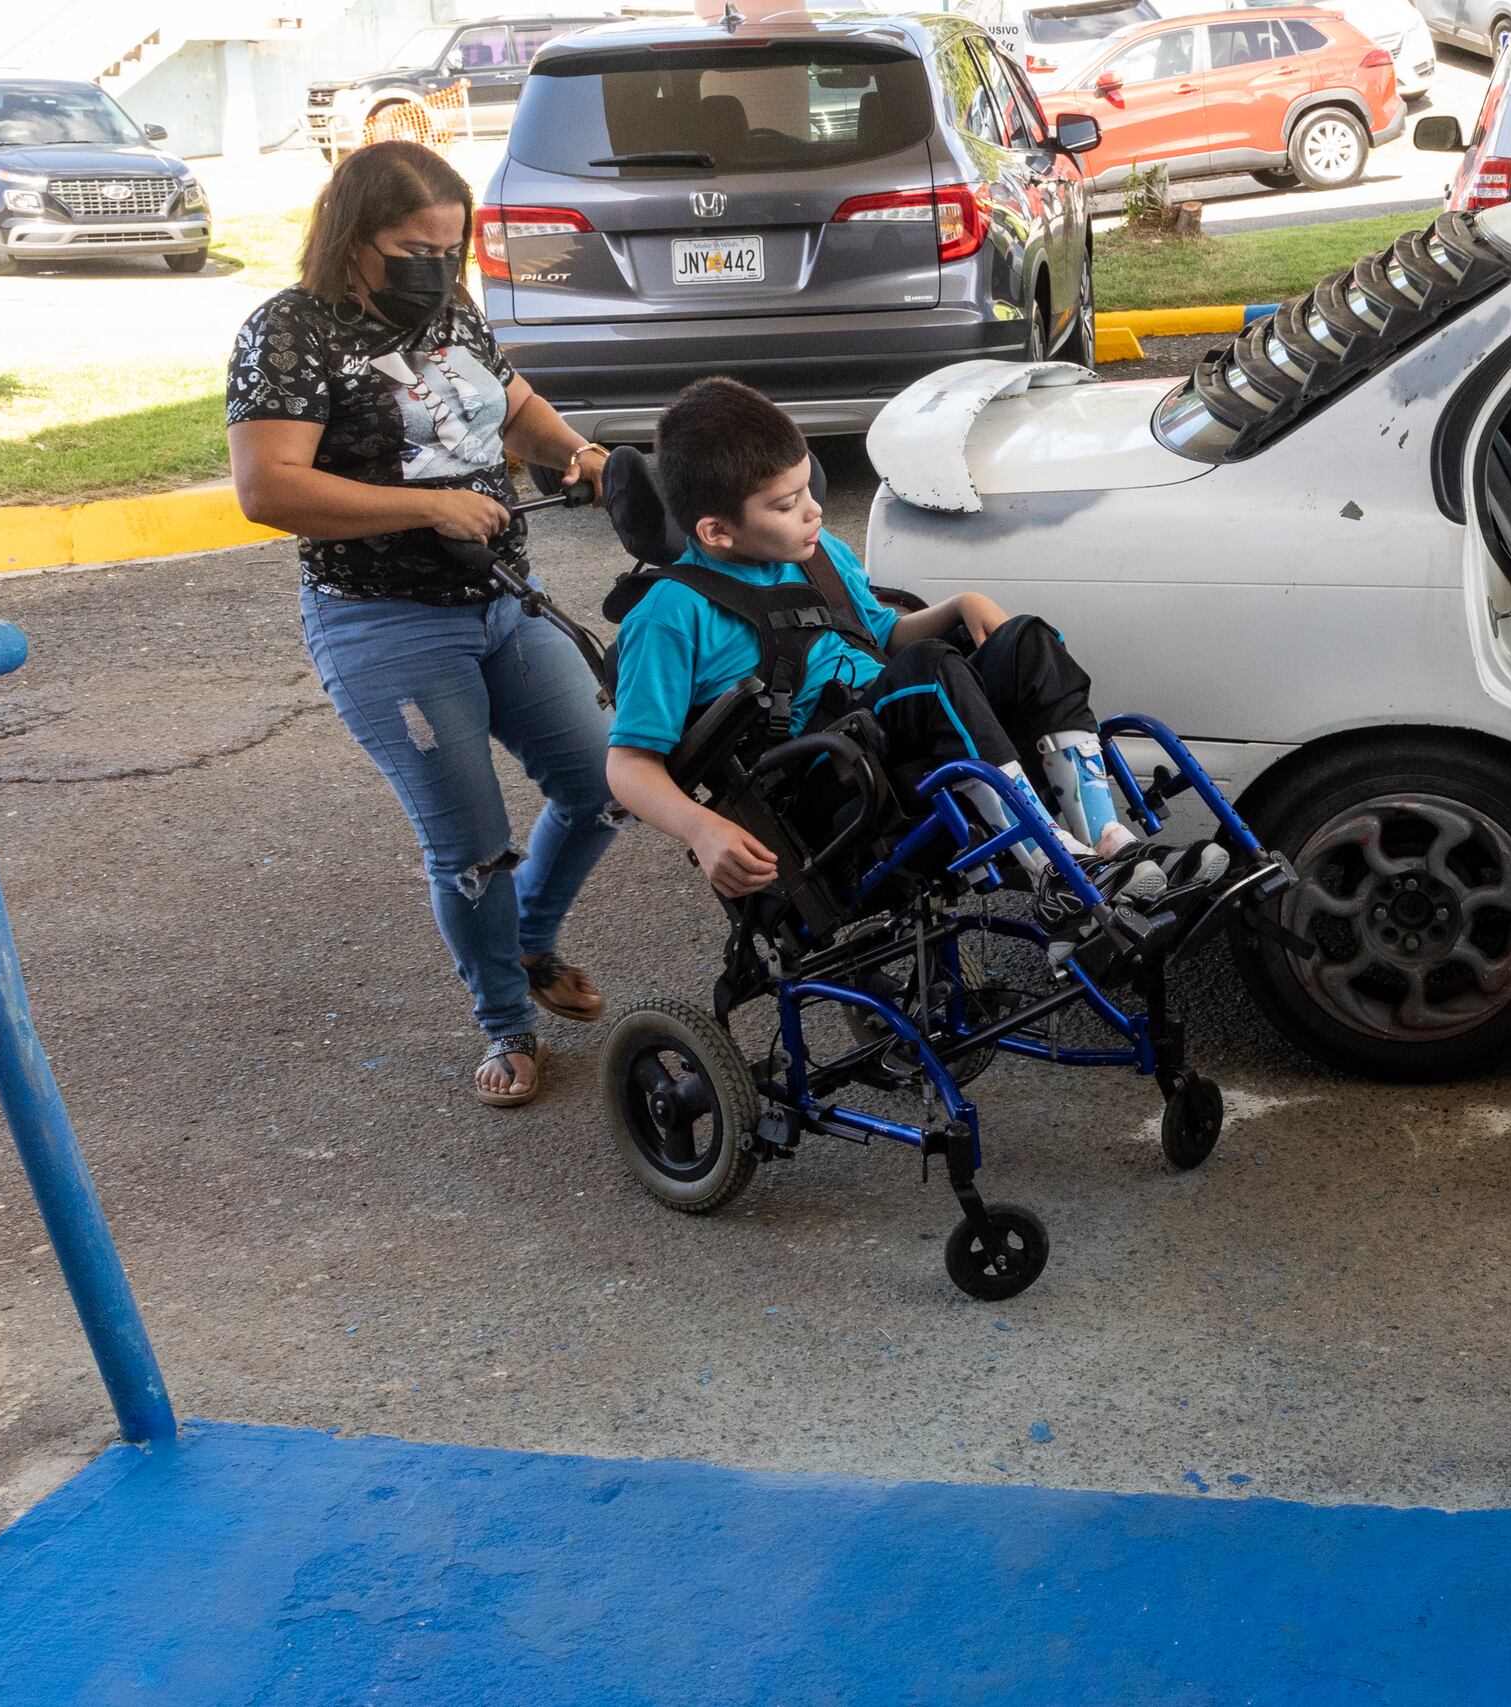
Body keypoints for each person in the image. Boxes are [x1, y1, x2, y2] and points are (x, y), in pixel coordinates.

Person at [227, 140, 617, 1109]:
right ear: (354, 237)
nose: (437, 268)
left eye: (452, 247)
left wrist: (580, 453)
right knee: (474, 848)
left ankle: (528, 940)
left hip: (500, 601)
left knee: (605, 782)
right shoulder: (289, 333)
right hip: (383, 624)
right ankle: (506, 1025)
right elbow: (266, 488)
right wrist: (425, 505)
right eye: (414, 247)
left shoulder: (450, 315)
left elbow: (518, 415)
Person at [604, 377, 1221, 926]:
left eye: (807, 487)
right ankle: (1054, 870)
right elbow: (627, 766)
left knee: (1024, 642)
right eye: (786, 505)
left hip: (889, 721)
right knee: (929, 673)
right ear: (716, 532)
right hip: (821, 775)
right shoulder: (670, 615)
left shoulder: (816, 556)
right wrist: (703, 828)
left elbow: (881, 637)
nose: (814, 510)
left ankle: (1108, 845)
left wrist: (958, 607)